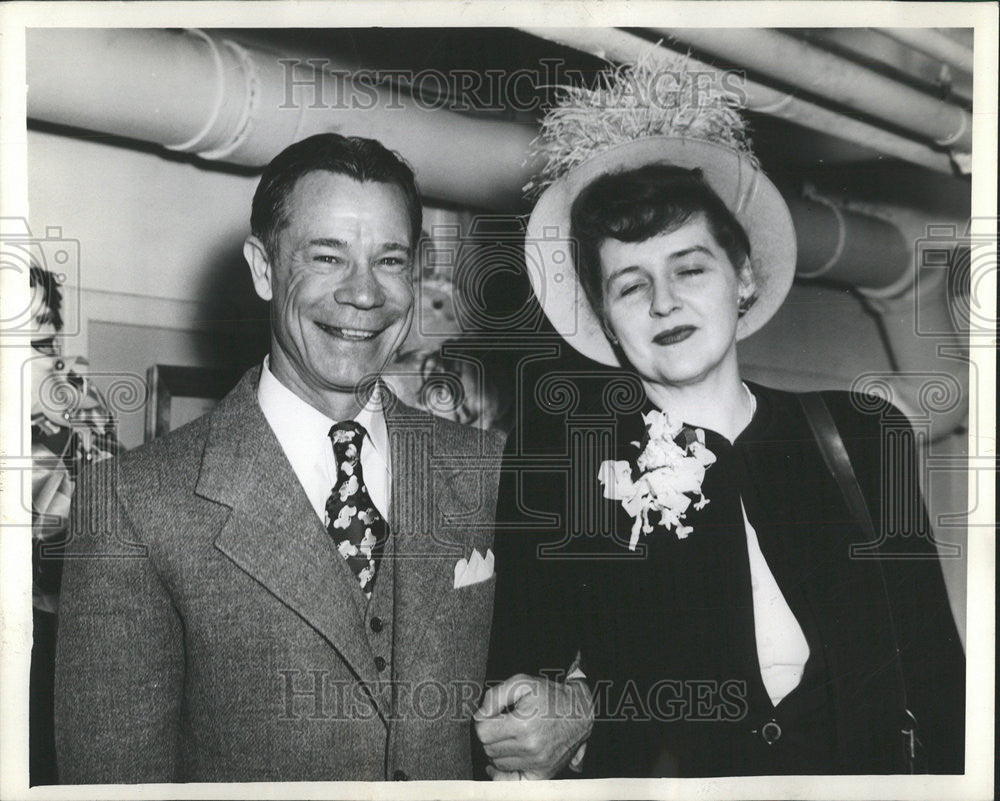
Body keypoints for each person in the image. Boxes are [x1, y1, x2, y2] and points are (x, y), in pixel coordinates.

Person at [479, 58, 964, 778]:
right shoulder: (566, 464)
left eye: (690, 268)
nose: (663, 302)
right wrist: (577, 706)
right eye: (630, 284)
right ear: (607, 321)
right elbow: (522, 703)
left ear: (743, 277)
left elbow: (938, 681)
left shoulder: (867, 434)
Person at [55, 133, 505, 783]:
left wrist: (569, 708)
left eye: (389, 260)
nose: (363, 294)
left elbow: (570, 655)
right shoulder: (132, 502)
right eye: (327, 257)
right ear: (264, 268)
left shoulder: (489, 468)